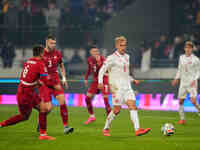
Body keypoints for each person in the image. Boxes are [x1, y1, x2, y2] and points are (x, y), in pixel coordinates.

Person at [0, 45, 59, 140]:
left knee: (45, 108)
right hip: (25, 95)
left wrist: (37, 82)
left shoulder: (29, 61)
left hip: (27, 91)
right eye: (44, 53)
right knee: (24, 117)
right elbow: (46, 81)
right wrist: (55, 86)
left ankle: (42, 133)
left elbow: (30, 76)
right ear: (41, 53)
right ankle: (1, 124)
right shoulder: (40, 64)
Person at [98, 36, 151, 136]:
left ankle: (137, 129)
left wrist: (132, 79)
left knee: (133, 106)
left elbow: (125, 73)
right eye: (121, 45)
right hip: (117, 88)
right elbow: (102, 70)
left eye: (125, 45)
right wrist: (100, 82)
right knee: (116, 110)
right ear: (116, 46)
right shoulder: (111, 58)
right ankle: (106, 128)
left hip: (127, 87)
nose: (123, 47)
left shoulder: (127, 57)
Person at [38, 35, 73, 134]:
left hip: (55, 81)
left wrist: (64, 78)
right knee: (48, 108)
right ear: (46, 42)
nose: (53, 45)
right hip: (44, 83)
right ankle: (40, 121)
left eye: (54, 43)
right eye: (51, 43)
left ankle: (66, 127)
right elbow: (37, 68)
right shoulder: (41, 54)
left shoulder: (57, 53)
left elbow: (61, 65)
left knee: (63, 101)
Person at [172, 41, 200, 125]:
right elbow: (179, 69)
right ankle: (182, 119)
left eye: (189, 48)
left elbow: (198, 71)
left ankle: (199, 110)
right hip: (183, 83)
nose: (188, 49)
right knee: (180, 101)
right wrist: (176, 78)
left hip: (192, 83)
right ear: (184, 48)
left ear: (192, 49)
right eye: (186, 47)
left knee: (193, 101)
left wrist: (195, 79)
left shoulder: (196, 59)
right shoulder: (181, 58)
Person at [84, 46, 111, 124]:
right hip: (95, 81)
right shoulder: (89, 60)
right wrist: (86, 78)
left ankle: (109, 119)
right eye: (94, 51)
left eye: (97, 51)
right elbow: (89, 69)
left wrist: (99, 62)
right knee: (87, 98)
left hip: (104, 80)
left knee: (105, 100)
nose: (96, 53)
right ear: (90, 53)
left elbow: (106, 70)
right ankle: (92, 116)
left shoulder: (103, 59)